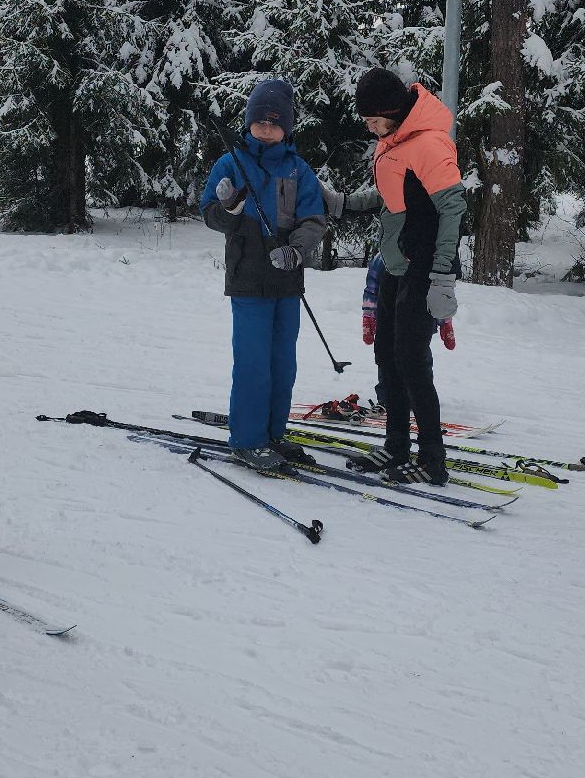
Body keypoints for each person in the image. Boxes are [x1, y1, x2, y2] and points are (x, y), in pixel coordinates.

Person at [328, 68, 466, 485]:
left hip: (425, 265)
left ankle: (432, 461)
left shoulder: (428, 142)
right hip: (397, 262)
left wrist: (442, 276)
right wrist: (345, 203)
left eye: (372, 120)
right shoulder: (395, 142)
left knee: (411, 362)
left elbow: (452, 207)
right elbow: (395, 195)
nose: (369, 128)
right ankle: (395, 446)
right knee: (387, 356)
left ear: (391, 112)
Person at [199, 78, 328, 471]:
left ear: (287, 127)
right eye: (260, 122)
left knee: (282, 364)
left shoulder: (297, 169)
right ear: (249, 123)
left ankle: (274, 433)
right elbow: (210, 215)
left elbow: (314, 218)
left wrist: (296, 250)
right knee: (253, 361)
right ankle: (247, 439)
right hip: (248, 277)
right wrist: (230, 210)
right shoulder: (230, 163)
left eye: (275, 123)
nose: (266, 130)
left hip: (287, 280)